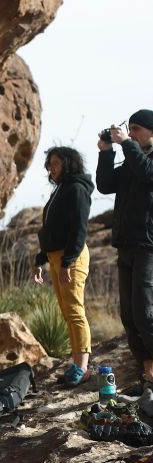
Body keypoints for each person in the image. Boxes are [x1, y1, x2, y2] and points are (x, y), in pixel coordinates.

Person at [96, 109, 153, 396]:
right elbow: (105, 185)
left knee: (146, 314)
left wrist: (125, 145)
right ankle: (148, 375)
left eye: (137, 130)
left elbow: (147, 174)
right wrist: (106, 152)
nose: (131, 134)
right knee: (129, 316)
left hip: (149, 248)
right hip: (126, 245)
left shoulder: (145, 161)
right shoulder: (132, 160)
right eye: (129, 129)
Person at [32, 147, 94, 387]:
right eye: (49, 164)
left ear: (68, 164)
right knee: (68, 312)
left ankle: (82, 367)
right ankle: (77, 365)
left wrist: (67, 262)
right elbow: (51, 232)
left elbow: (79, 230)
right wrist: (41, 259)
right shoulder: (60, 190)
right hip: (57, 257)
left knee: (75, 311)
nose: (51, 168)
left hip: (72, 257)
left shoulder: (76, 189)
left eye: (55, 163)